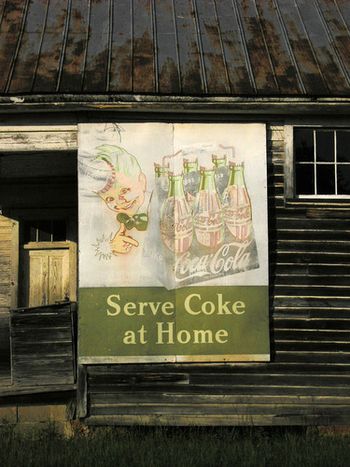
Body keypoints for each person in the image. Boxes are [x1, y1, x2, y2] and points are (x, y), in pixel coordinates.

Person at [95, 144, 148, 255]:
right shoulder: (106, 222)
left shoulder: (162, 204)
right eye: (109, 199)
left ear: (142, 181)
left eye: (124, 191)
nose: (119, 202)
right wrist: (112, 246)